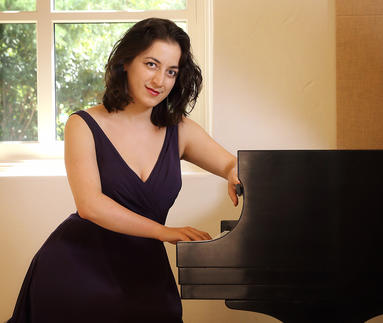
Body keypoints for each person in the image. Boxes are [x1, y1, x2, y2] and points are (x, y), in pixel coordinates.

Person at [8, 17, 239, 323]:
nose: (160, 81)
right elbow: (90, 206)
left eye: (171, 71)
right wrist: (164, 232)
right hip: (76, 270)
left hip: (145, 273)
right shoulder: (83, 124)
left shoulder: (179, 129)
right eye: (151, 64)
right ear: (126, 62)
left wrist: (235, 171)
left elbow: (230, 163)